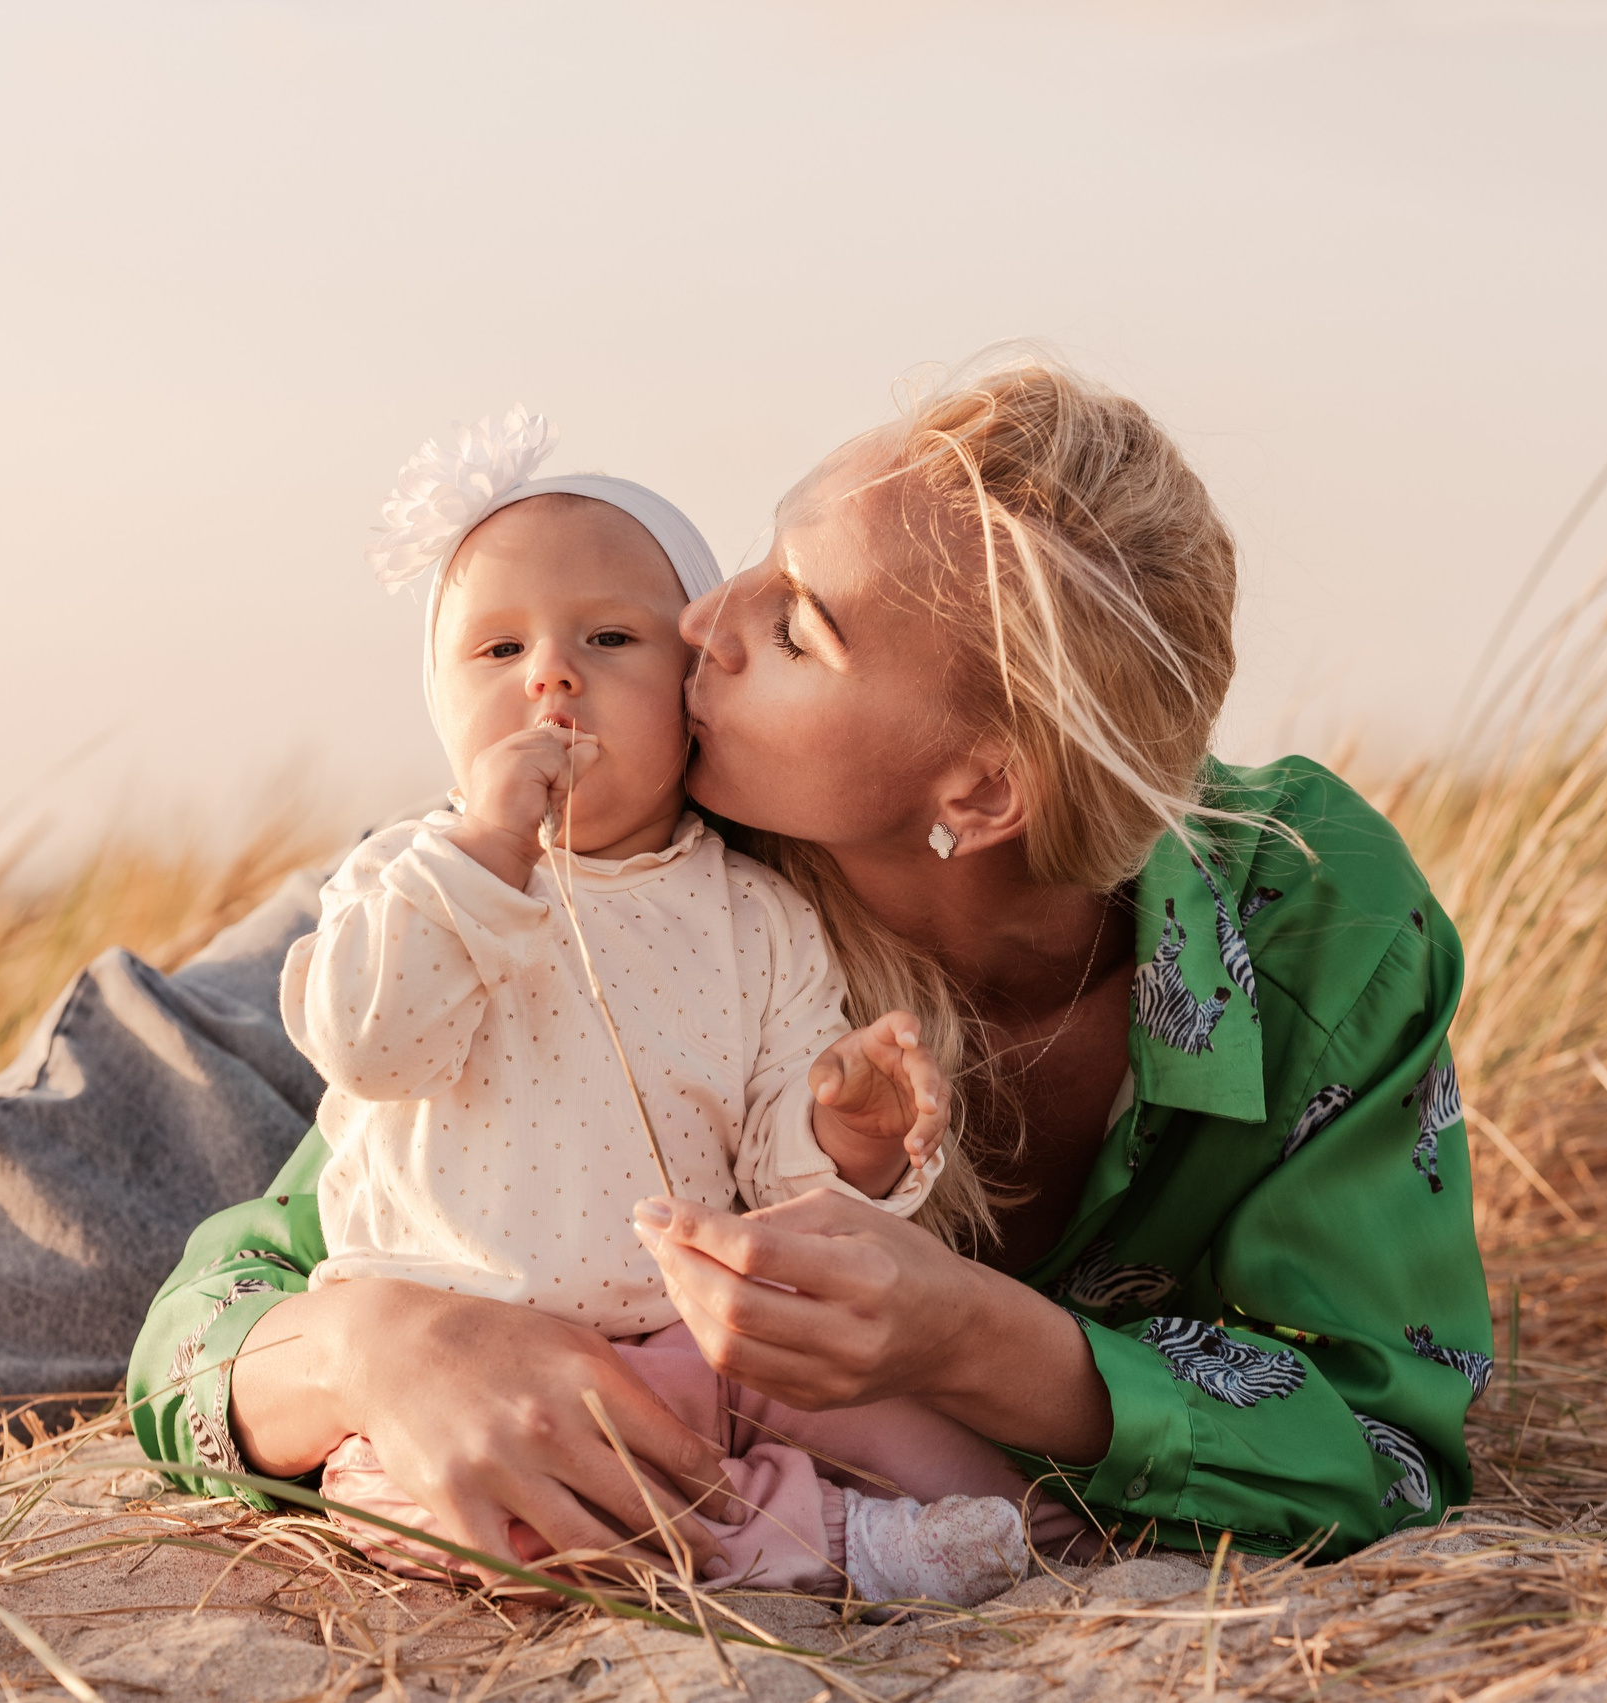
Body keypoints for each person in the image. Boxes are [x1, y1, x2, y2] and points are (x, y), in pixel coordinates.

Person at [129, 351, 1494, 1585]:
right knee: (51, 1227)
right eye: (761, 560)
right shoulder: (639, 862)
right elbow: (225, 1298)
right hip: (393, 955)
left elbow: (1389, 1447)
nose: (698, 620)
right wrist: (377, 1345)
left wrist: (974, 1339)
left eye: (796, 628)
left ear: (981, 787)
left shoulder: (1321, 928)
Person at [287, 414, 1046, 1603]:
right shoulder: (407, 880)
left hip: (708, 1338)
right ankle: (833, 1542)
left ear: (690, 685)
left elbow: (774, 1172)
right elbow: (369, 1046)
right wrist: (488, 849)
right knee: (471, 1517)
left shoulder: (752, 912)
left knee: (930, 1438)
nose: (551, 674)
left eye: (607, 637)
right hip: (484, 1354)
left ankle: (1035, 1535)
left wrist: (842, 1127)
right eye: (498, 648)